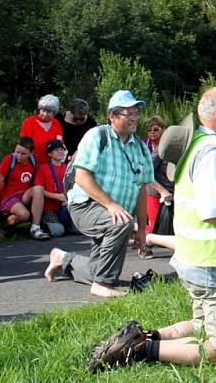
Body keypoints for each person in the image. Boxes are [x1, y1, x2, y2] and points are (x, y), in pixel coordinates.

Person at [84, 87, 216, 372]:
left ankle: (143, 337)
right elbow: (215, 212)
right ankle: (140, 349)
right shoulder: (211, 153)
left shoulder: (196, 148)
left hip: (198, 262)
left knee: (201, 324)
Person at [44, 90, 154, 297]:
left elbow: (141, 189)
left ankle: (62, 258)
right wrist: (112, 205)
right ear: (112, 116)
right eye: (127, 112)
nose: (133, 117)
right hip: (85, 206)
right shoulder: (97, 136)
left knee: (97, 268)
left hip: (115, 213)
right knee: (121, 223)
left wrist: (142, 229)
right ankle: (103, 285)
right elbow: (81, 177)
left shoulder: (141, 147)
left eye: (136, 112)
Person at [0, 136, 50, 239]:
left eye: (23, 154)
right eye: (17, 152)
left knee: (38, 189)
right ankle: (3, 227)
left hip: (23, 195)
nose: (19, 156)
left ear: (31, 153)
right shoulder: (9, 159)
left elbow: (37, 182)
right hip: (7, 197)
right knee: (24, 214)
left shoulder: (34, 161)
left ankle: (35, 228)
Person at [141, 116, 174, 250]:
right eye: (149, 130)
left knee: (169, 224)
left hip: (171, 191)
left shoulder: (169, 145)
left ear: (164, 129)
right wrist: (162, 191)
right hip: (154, 192)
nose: (152, 132)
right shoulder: (156, 150)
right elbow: (145, 172)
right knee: (154, 225)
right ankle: (144, 244)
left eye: (156, 129)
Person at [35, 139, 70, 237]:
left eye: (62, 149)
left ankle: (66, 225)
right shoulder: (42, 168)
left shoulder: (68, 168)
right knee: (58, 231)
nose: (61, 152)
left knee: (79, 229)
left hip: (66, 206)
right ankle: (46, 224)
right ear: (49, 154)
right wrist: (57, 196)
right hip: (49, 207)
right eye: (57, 150)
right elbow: (39, 190)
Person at [20, 94, 64, 165]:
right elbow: (23, 144)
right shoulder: (29, 122)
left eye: (49, 112)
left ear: (54, 113)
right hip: (32, 163)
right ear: (39, 109)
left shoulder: (56, 123)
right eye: (43, 110)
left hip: (51, 165)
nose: (45, 114)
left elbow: (60, 143)